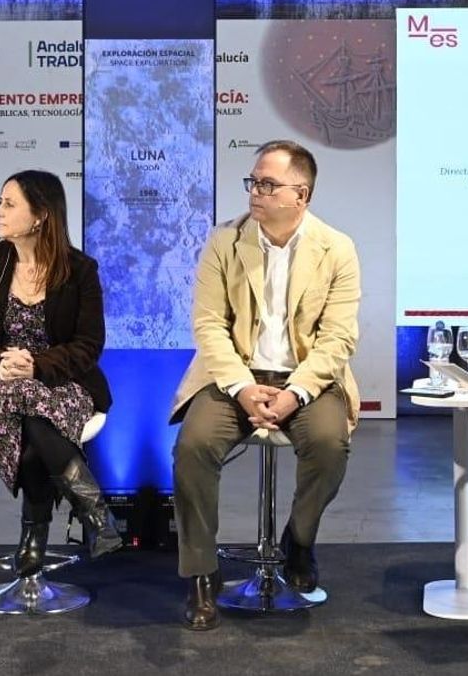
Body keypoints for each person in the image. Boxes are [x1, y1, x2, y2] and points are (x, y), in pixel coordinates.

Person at [170, 140, 360, 631]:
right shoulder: (224, 240)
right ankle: (201, 575)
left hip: (306, 378)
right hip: (234, 374)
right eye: (253, 181)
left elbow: (338, 338)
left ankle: (298, 539)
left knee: (327, 442)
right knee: (192, 445)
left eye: (268, 184)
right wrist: (241, 387)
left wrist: (295, 392)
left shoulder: (336, 248)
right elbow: (209, 324)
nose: (255, 191)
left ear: (302, 194)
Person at [0, 170, 121, 577]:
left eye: (9, 204)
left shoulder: (80, 269)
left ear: (41, 215)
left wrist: (38, 365)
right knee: (24, 404)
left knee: (32, 418)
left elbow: (88, 344)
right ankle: (95, 511)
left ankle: (34, 532)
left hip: (61, 384)